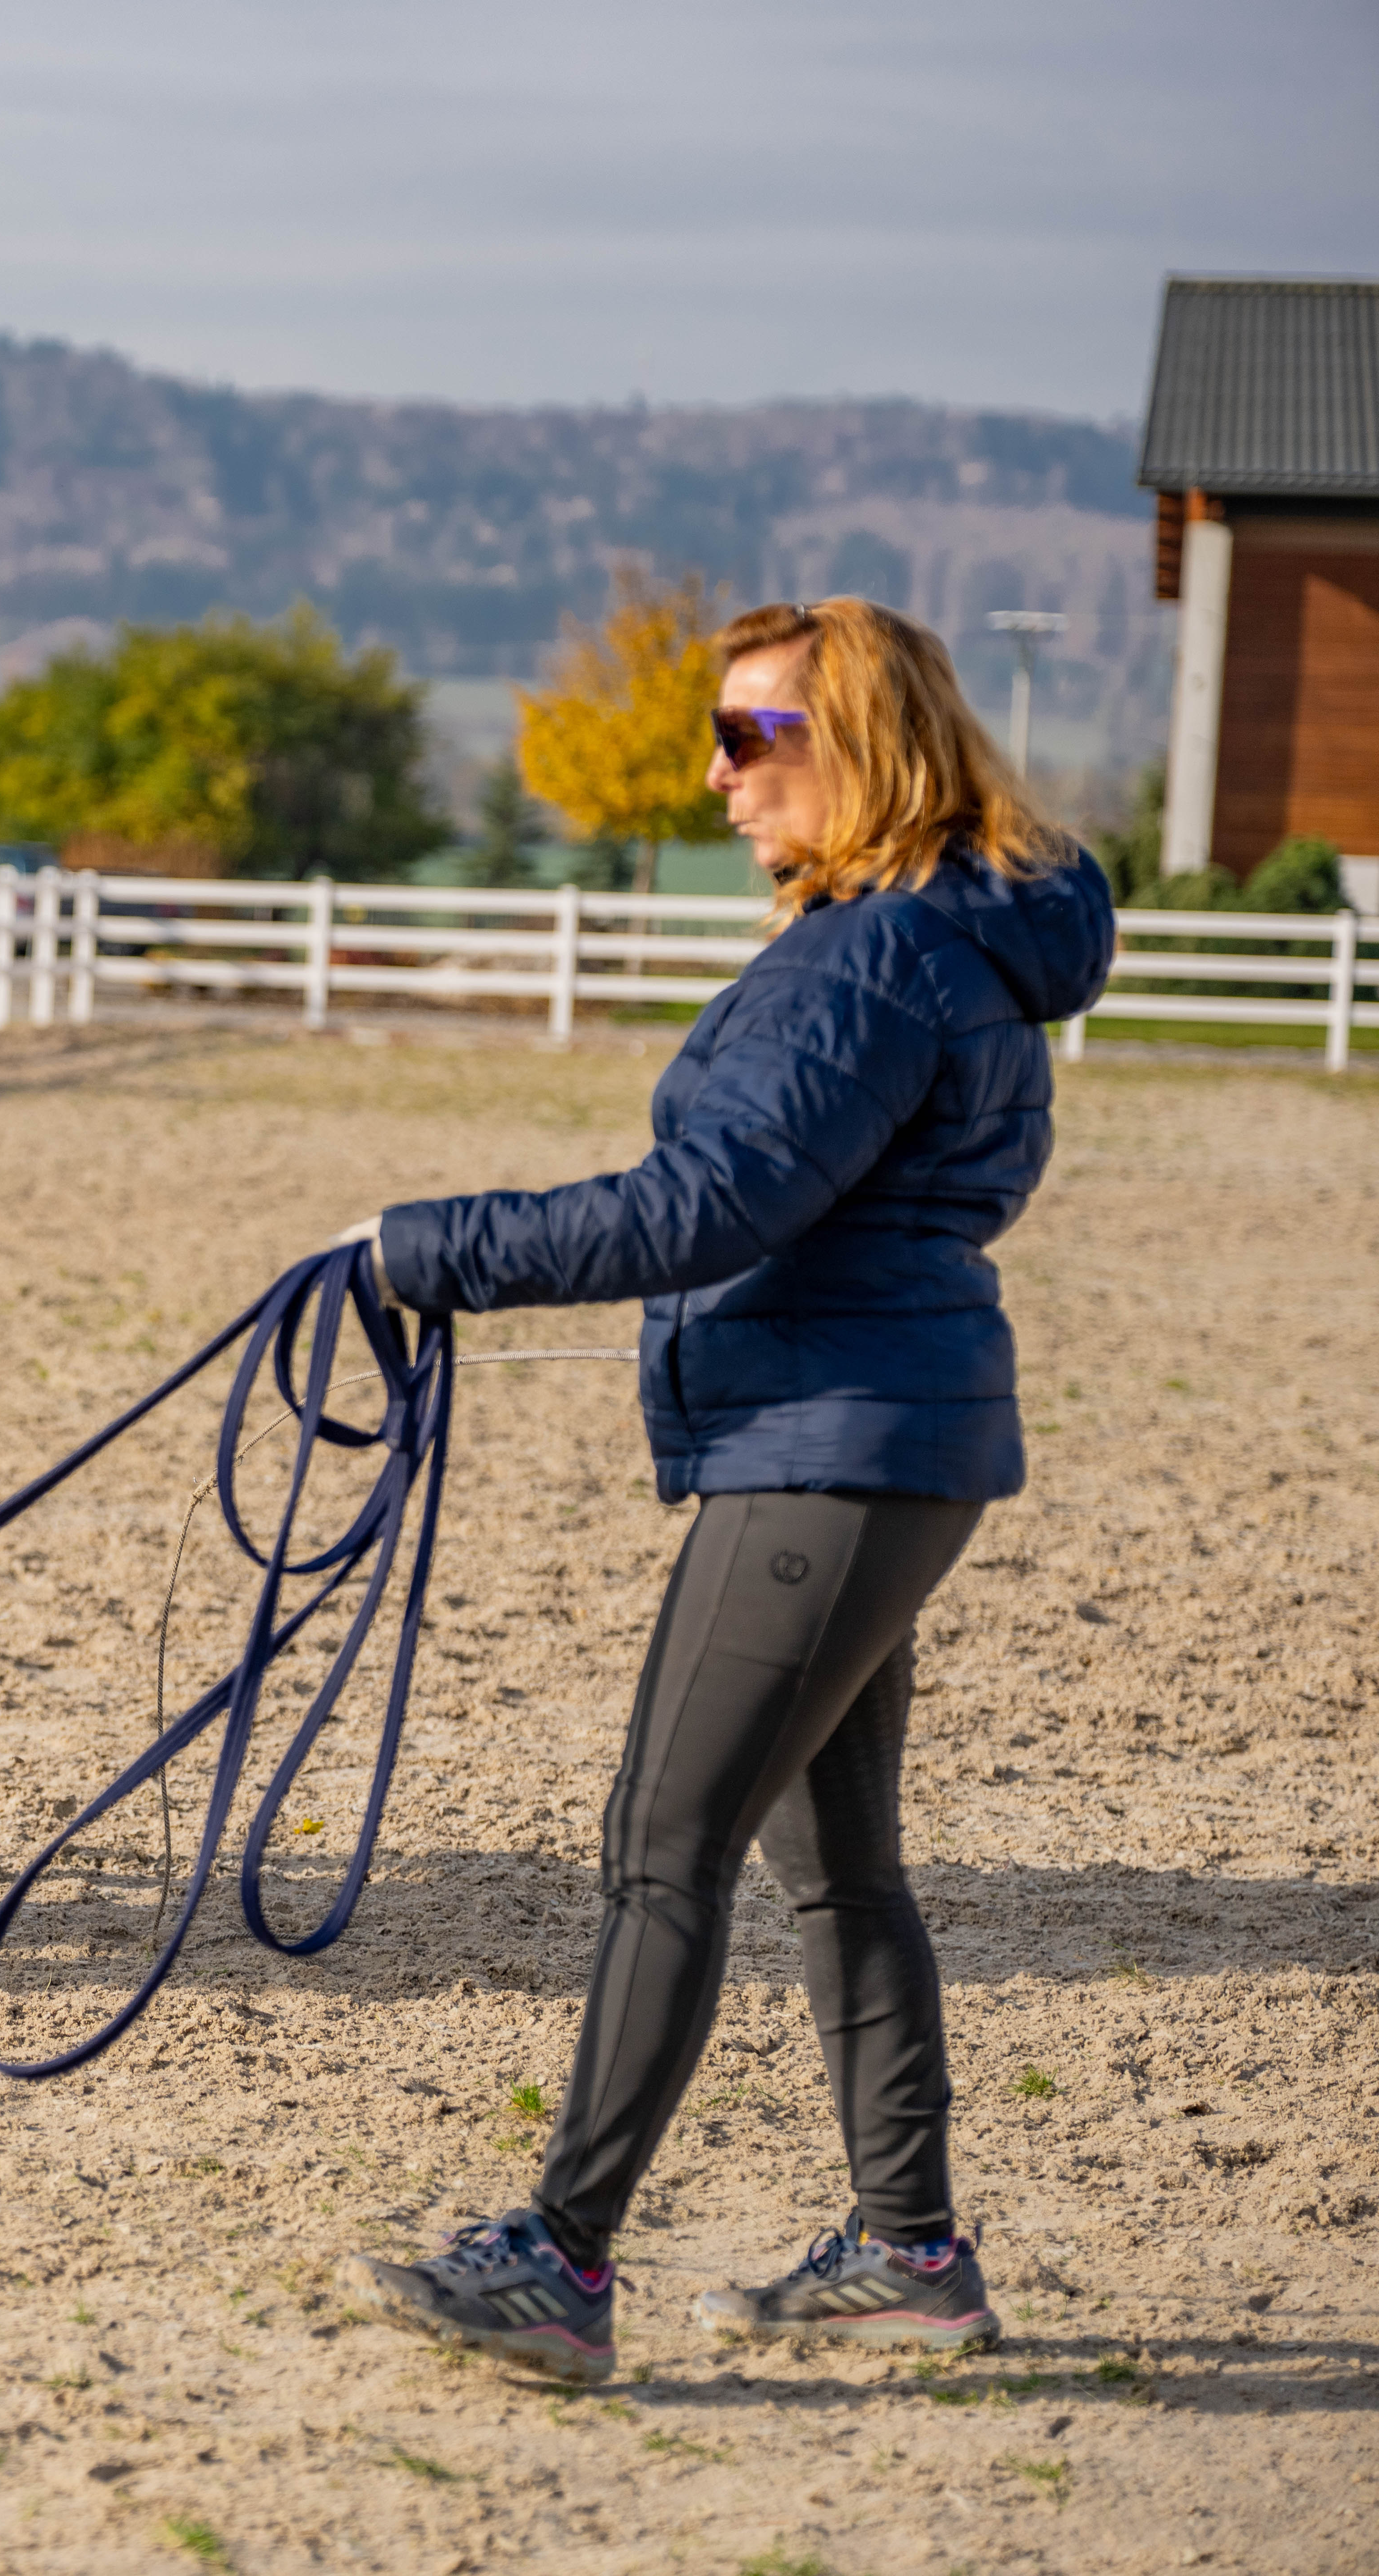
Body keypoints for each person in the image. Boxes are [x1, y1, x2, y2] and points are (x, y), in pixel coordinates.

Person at [335, 597, 1116, 2385]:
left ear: (865, 740)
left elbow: (709, 1208)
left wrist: (424, 1251)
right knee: (838, 1865)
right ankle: (908, 2249)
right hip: (876, 1442)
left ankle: (562, 2261)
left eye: (753, 737)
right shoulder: (936, 941)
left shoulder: (872, 960)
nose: (717, 774)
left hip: (828, 1450)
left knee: (660, 1847)